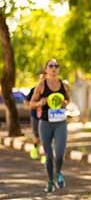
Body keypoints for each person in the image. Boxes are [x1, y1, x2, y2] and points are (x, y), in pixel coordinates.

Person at [30, 59, 70, 192]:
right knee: (49, 155)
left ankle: (58, 173)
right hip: (45, 123)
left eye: (56, 66)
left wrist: (65, 103)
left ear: (58, 69)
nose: (54, 68)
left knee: (59, 153)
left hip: (60, 123)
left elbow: (68, 100)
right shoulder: (41, 85)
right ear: (46, 69)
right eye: (51, 66)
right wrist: (41, 102)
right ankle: (50, 181)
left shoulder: (63, 85)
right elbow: (32, 104)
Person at [25, 70, 46, 160]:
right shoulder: (34, 89)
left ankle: (45, 155)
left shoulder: (50, 90)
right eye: (41, 78)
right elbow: (27, 102)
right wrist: (37, 104)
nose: (43, 80)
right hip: (35, 115)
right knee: (36, 135)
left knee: (45, 136)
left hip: (46, 117)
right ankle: (35, 148)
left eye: (44, 78)